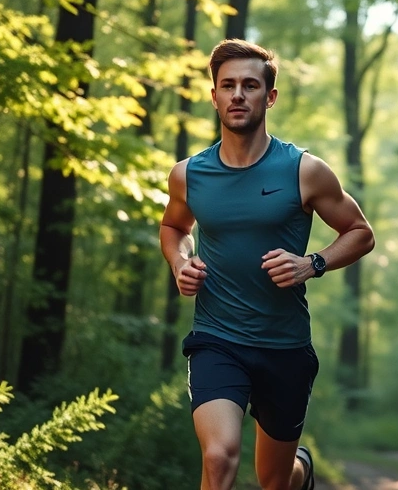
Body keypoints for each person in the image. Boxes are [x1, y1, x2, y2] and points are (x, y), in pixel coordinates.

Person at [159, 39, 375, 490]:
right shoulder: (188, 174)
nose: (238, 95)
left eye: (250, 85)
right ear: (214, 95)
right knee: (219, 457)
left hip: (284, 346)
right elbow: (174, 229)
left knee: (276, 480)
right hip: (217, 339)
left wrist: (311, 263)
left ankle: (303, 468)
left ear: (269, 97)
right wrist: (180, 262)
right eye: (228, 85)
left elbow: (360, 233)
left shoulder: (304, 170)